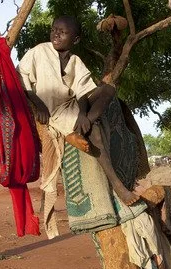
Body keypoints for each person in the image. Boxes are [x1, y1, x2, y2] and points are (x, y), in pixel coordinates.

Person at [17, 16, 139, 224]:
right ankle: (118, 186)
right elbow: (22, 78)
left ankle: (86, 125)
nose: (56, 34)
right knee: (97, 134)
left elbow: (83, 91)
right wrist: (37, 104)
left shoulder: (75, 61)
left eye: (62, 32)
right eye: (54, 29)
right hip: (55, 111)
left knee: (108, 89)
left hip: (74, 106)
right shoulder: (38, 52)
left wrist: (84, 115)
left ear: (75, 39)